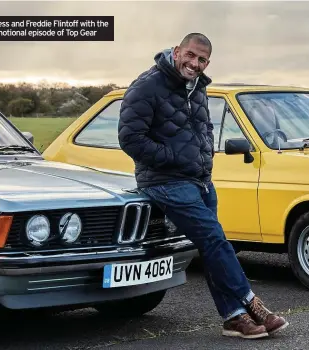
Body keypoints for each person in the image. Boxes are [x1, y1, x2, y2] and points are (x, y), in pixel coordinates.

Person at [118, 32, 289, 339]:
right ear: (177, 51)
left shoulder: (197, 86)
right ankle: (252, 303)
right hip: (164, 181)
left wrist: (204, 153)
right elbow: (130, 138)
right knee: (215, 239)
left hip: (199, 179)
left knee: (213, 246)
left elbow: (203, 126)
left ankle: (234, 317)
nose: (195, 64)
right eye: (191, 56)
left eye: (202, 60)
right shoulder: (147, 85)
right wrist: (173, 158)